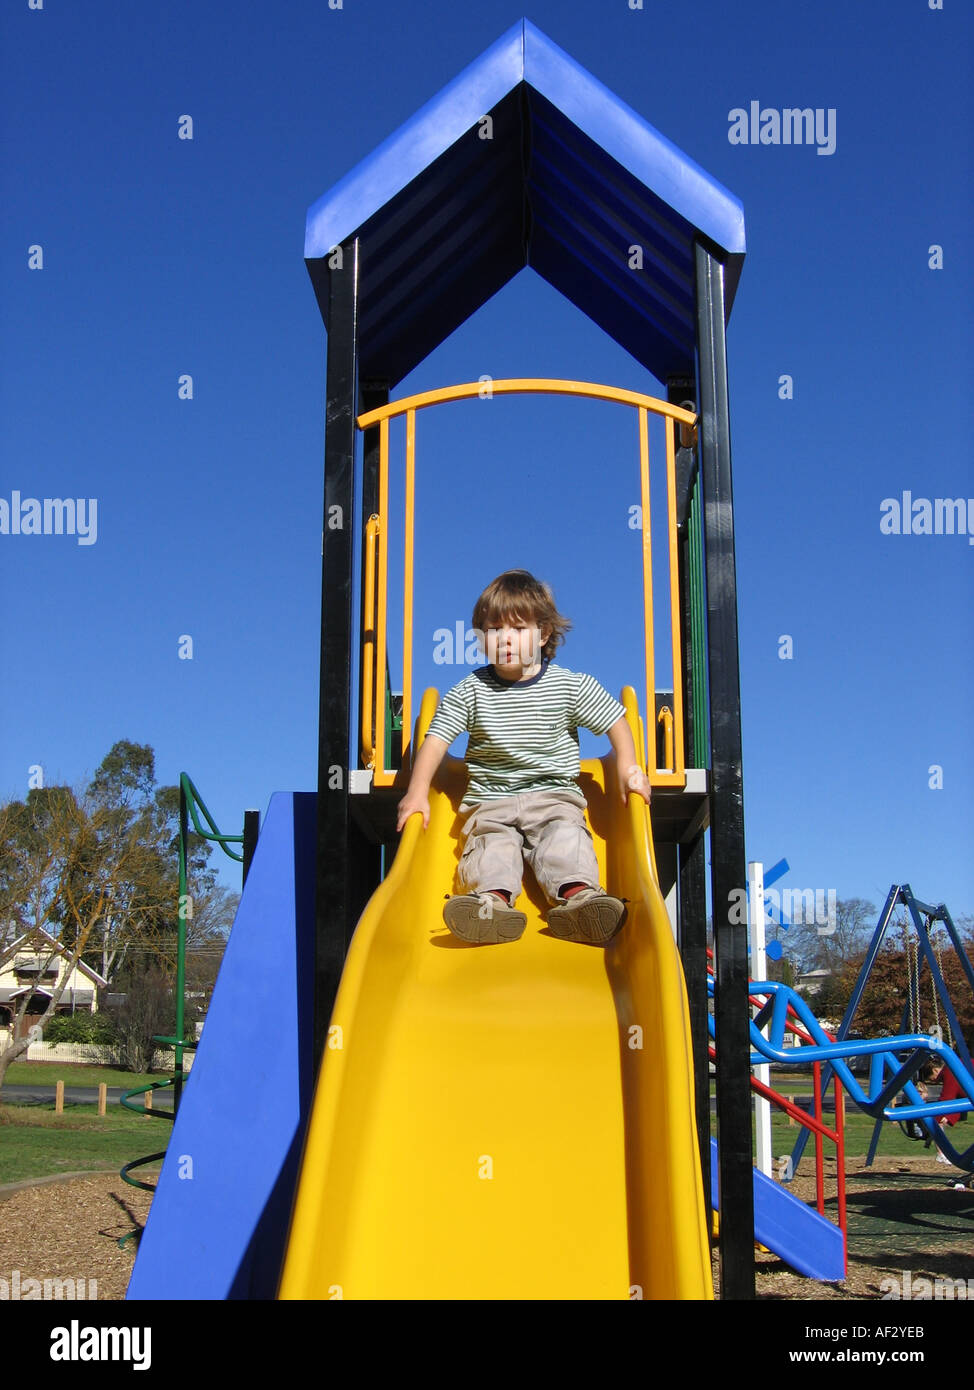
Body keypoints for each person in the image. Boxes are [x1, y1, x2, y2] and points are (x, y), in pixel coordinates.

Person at [395, 569, 652, 945]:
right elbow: (435, 740)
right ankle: (491, 906)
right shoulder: (470, 691)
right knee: (491, 850)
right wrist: (416, 792)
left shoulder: (569, 685)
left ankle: (580, 901)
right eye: (493, 629)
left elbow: (617, 722)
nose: (504, 639)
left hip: (554, 799)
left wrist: (630, 771)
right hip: (490, 803)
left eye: (517, 629)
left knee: (565, 839)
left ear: (544, 634)